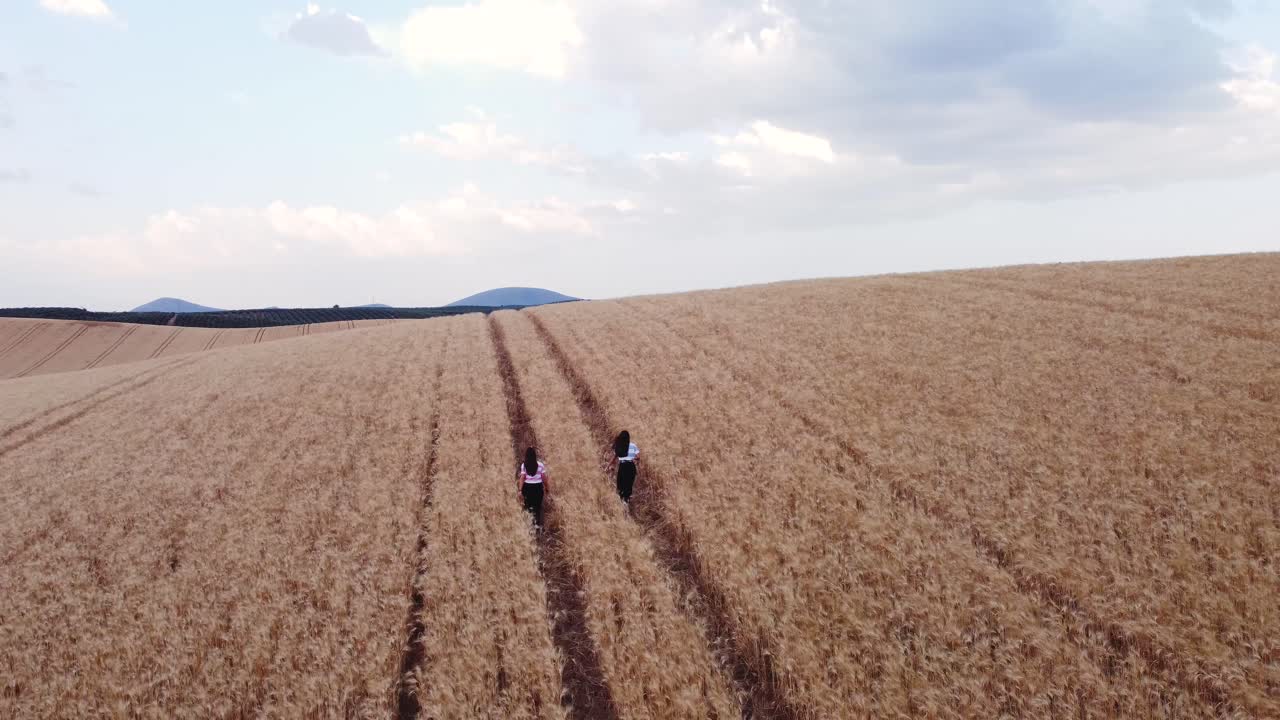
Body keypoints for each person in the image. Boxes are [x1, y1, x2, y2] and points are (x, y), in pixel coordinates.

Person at [518, 447, 547, 530]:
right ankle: (537, 525)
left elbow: (522, 478)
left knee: (528, 506)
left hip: (527, 488)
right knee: (537, 507)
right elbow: (544, 478)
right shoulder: (540, 465)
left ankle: (529, 525)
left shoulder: (524, 465)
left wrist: (520, 490)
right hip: (538, 488)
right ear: (535, 456)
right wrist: (547, 487)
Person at [610, 430, 639, 505]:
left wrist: (608, 466)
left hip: (623, 466)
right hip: (631, 466)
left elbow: (614, 458)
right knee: (629, 483)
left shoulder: (620, 446)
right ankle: (626, 500)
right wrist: (634, 460)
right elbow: (638, 457)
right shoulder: (633, 445)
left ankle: (622, 500)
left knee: (621, 483)